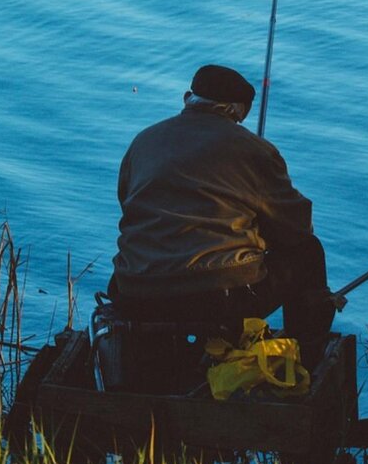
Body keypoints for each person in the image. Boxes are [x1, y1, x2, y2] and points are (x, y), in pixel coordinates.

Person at [107, 64, 335, 358]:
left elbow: (128, 203)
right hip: (218, 300)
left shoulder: (143, 141)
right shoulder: (255, 150)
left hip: (135, 294)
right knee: (308, 253)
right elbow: (297, 229)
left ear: (188, 97)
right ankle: (305, 356)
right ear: (239, 112)